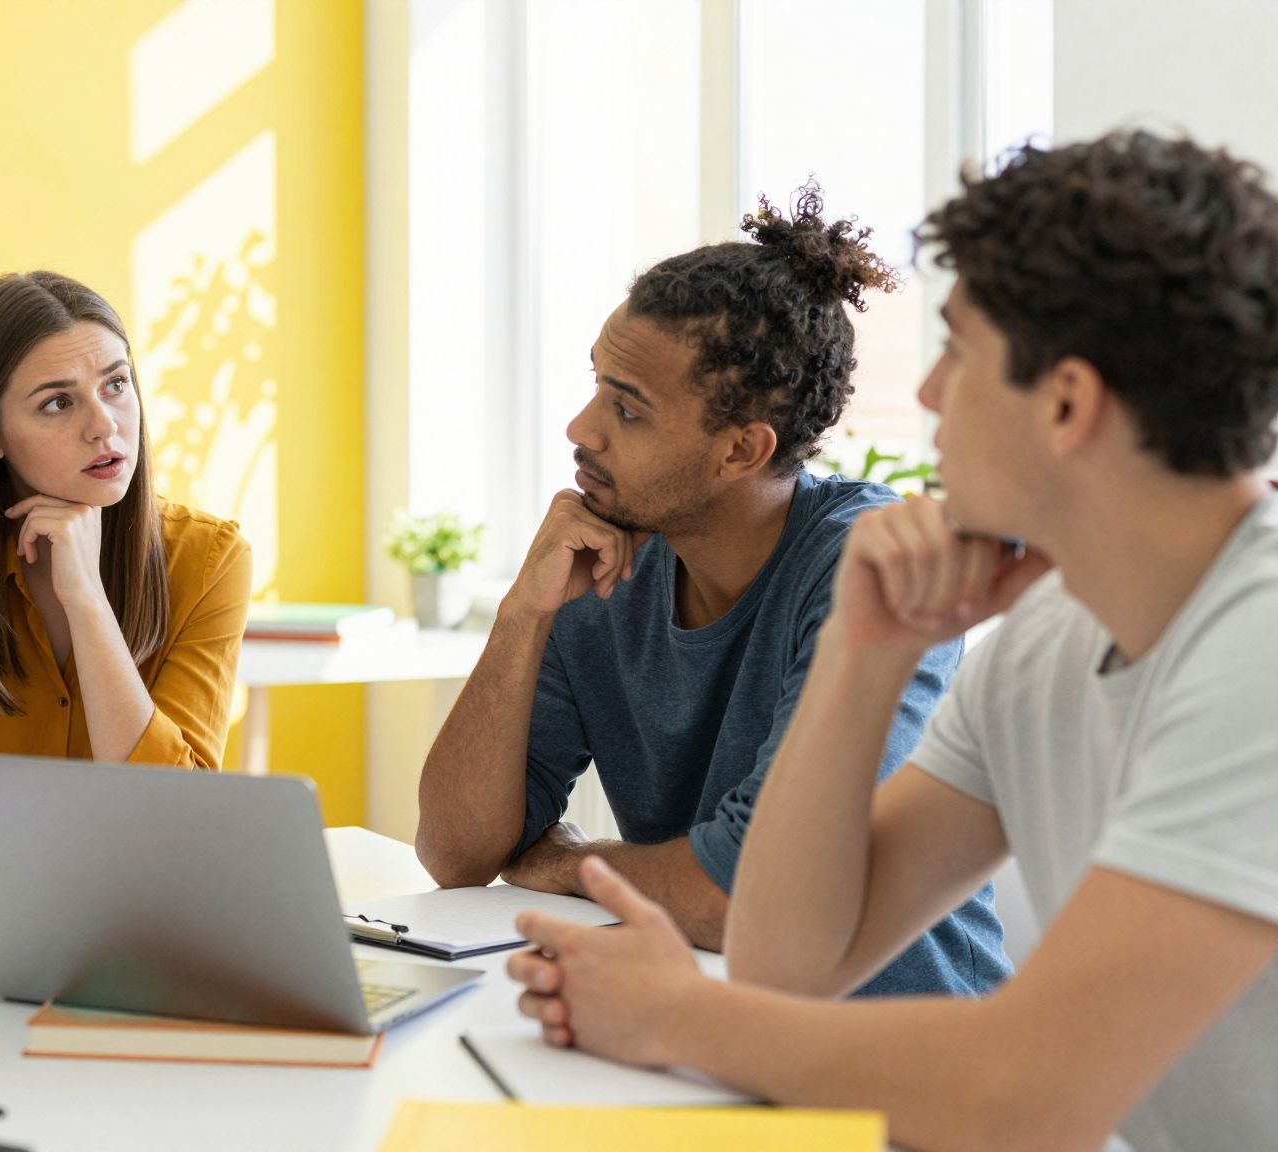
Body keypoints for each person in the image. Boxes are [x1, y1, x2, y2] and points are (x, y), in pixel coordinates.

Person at [506, 131, 1278, 1152]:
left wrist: (674, 1014)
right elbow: (791, 960)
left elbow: (1028, 1095)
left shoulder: (1257, 647)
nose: (922, 397)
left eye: (956, 352)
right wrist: (863, 651)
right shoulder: (1048, 639)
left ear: (1064, 403)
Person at [414, 188, 1006, 996]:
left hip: (902, 1056)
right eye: (597, 385)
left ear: (740, 451)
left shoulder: (867, 568)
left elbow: (746, 898)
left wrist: (569, 863)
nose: (581, 429)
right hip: (723, 1029)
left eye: (626, 407)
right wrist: (523, 613)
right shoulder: (605, 557)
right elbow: (456, 854)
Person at [0, 271, 253, 860]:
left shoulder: (208, 559)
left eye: (116, 384)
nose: (104, 425)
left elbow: (174, 814)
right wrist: (51, 849)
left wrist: (87, 601)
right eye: (58, 402)